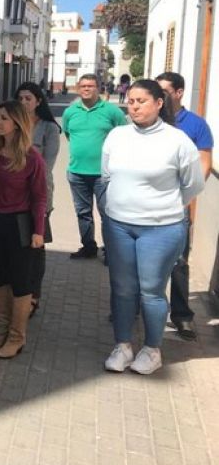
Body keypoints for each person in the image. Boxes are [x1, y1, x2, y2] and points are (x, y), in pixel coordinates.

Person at [101, 80, 204, 374]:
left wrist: (162, 208)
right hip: (119, 226)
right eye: (131, 101)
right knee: (122, 289)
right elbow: (106, 175)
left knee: (151, 291)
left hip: (161, 228)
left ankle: (151, 349)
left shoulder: (178, 141)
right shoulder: (117, 136)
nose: (134, 106)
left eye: (142, 101)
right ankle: (122, 346)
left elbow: (193, 185)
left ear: (159, 103)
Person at [0, 101, 47, 359]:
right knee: (0, 278)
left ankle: (17, 337)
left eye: (4, 118)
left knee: (20, 282)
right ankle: (2, 330)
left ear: (17, 123)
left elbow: (40, 197)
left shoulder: (32, 157)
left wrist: (38, 231)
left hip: (20, 224)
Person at [156, 72, 214, 340]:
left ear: (179, 93)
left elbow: (203, 163)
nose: (159, 95)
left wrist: (187, 196)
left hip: (178, 204)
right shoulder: (150, 119)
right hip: (146, 203)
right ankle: (132, 307)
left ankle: (181, 315)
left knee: (178, 261)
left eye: (164, 91)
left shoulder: (196, 125)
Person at [62, 74, 126, 260]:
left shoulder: (112, 112)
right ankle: (88, 247)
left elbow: (124, 136)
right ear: (77, 88)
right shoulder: (70, 112)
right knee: (83, 212)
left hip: (104, 175)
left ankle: (110, 251)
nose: (86, 89)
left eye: (91, 86)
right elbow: (68, 134)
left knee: (107, 213)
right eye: (83, 86)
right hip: (76, 172)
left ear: (99, 88)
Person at [15, 82, 61, 315]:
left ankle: (34, 293)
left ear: (38, 101)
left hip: (39, 192)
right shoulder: (12, 125)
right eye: (20, 99)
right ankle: (18, 290)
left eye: (28, 99)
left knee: (35, 244)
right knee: (16, 244)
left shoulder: (49, 128)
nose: (24, 103)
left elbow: (48, 165)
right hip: (13, 194)